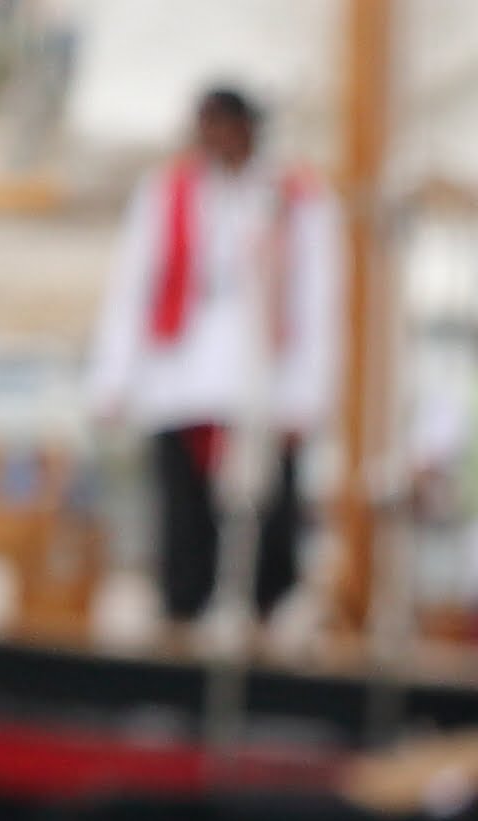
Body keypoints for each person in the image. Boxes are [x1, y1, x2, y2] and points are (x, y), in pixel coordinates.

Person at [84, 83, 341, 639]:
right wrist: (113, 380)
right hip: (182, 380)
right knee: (185, 524)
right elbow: (135, 286)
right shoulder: (166, 191)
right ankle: (182, 621)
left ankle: (269, 622)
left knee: (269, 520)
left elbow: (319, 299)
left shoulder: (296, 196)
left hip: (266, 383)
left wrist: (310, 396)